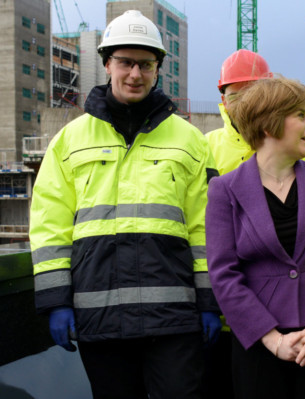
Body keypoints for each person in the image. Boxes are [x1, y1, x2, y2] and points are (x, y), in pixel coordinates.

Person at [29, 10, 221, 398]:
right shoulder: (69, 140)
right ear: (107, 64)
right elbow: (50, 225)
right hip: (100, 314)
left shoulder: (190, 141)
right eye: (125, 62)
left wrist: (208, 301)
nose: (135, 74)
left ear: (158, 70)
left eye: (145, 64)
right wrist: (55, 301)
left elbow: (206, 229)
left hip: (174, 318)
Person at [206, 77, 305, 399]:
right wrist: (274, 340)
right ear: (269, 124)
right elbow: (224, 274)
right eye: (301, 116)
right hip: (260, 348)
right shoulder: (225, 190)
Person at [206, 49, 305, 175]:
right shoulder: (206, 146)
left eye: (252, 93)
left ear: (269, 95)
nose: (244, 103)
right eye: (235, 96)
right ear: (224, 101)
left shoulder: (301, 143)